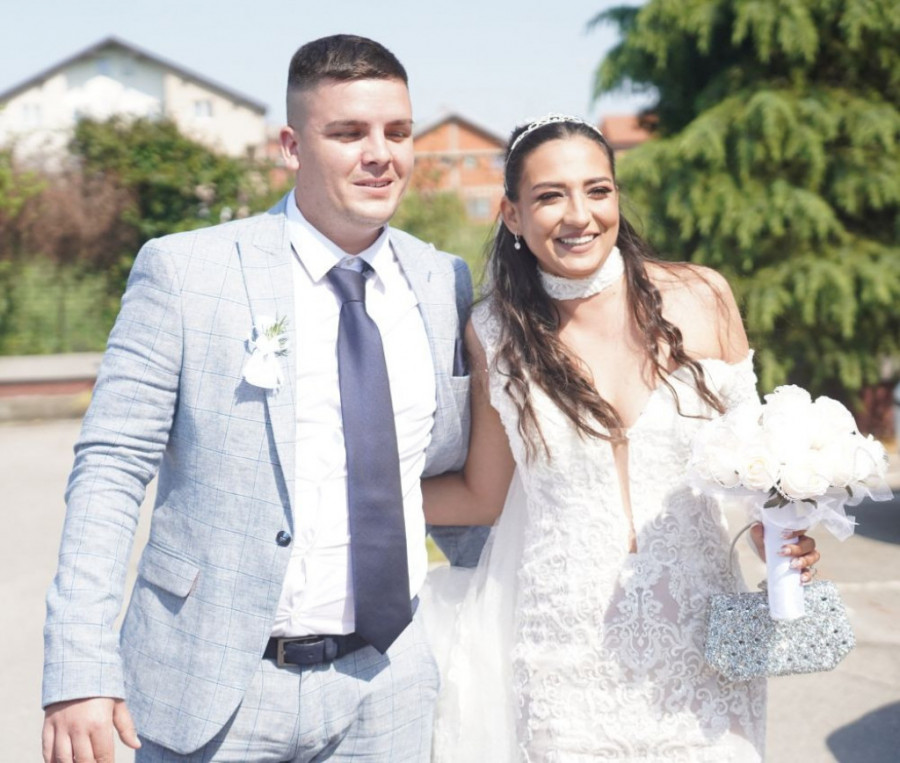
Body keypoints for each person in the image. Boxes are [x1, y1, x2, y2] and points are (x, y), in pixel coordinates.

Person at [41, 34, 486, 763]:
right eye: (349, 133)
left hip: (391, 684)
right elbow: (111, 468)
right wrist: (79, 664)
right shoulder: (187, 271)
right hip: (215, 683)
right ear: (291, 146)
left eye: (398, 131)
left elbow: (451, 474)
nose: (381, 154)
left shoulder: (444, 281)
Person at [421, 114, 821, 761]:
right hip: (564, 662)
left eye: (597, 190)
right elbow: (481, 495)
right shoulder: (494, 333)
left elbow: (755, 466)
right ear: (513, 214)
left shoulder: (702, 296)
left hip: (707, 649)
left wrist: (779, 528)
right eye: (550, 196)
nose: (579, 215)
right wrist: (348, 495)